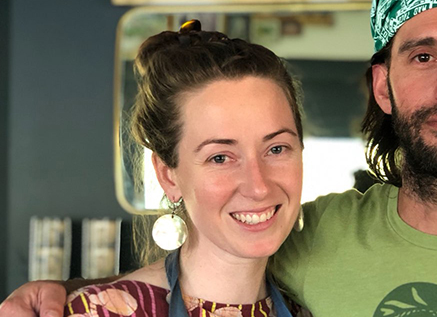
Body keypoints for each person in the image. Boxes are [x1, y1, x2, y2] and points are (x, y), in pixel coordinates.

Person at [2, 0, 437, 317]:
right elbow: (206, 262)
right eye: (422, 56)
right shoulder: (314, 234)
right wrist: (73, 297)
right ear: (382, 86)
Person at [23, 19, 310, 317]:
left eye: (276, 149)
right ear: (167, 175)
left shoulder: (315, 307)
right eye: (220, 158)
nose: (258, 186)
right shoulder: (98, 312)